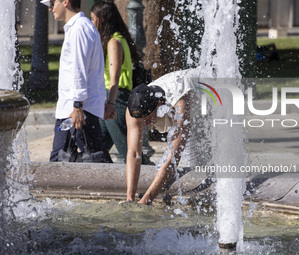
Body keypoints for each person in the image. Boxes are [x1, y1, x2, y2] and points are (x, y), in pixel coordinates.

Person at [43, 0, 106, 162]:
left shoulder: (79, 29)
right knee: (78, 158)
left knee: (93, 159)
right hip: (73, 109)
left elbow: (79, 68)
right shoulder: (78, 28)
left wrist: (77, 105)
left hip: (77, 110)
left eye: (51, 2)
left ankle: (130, 183)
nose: (50, 8)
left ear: (65, 1)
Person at [125, 69, 195, 205]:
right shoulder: (134, 107)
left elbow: (172, 159)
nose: (145, 124)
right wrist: (130, 199)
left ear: (158, 105)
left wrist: (146, 200)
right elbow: (133, 153)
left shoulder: (179, 99)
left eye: (149, 118)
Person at [90, 1, 140, 163]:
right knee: (96, 150)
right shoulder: (119, 39)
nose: (91, 23)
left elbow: (115, 77)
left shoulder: (114, 42)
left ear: (102, 20)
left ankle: (155, 181)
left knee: (129, 150)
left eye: (93, 19)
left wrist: (110, 103)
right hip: (113, 97)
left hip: (115, 98)